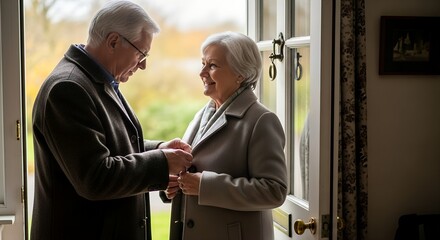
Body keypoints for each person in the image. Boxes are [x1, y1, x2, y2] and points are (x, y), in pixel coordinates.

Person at [30, 1, 193, 240]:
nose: (144, 65)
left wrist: (158, 149)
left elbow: (104, 143)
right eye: (141, 53)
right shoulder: (67, 88)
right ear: (114, 41)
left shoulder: (95, 80)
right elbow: (95, 177)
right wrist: (161, 162)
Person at [163, 32, 288, 240]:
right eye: (202, 63)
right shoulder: (202, 114)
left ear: (240, 74)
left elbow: (274, 191)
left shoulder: (262, 120)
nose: (202, 72)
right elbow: (192, 173)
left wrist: (205, 186)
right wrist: (174, 185)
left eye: (212, 65)